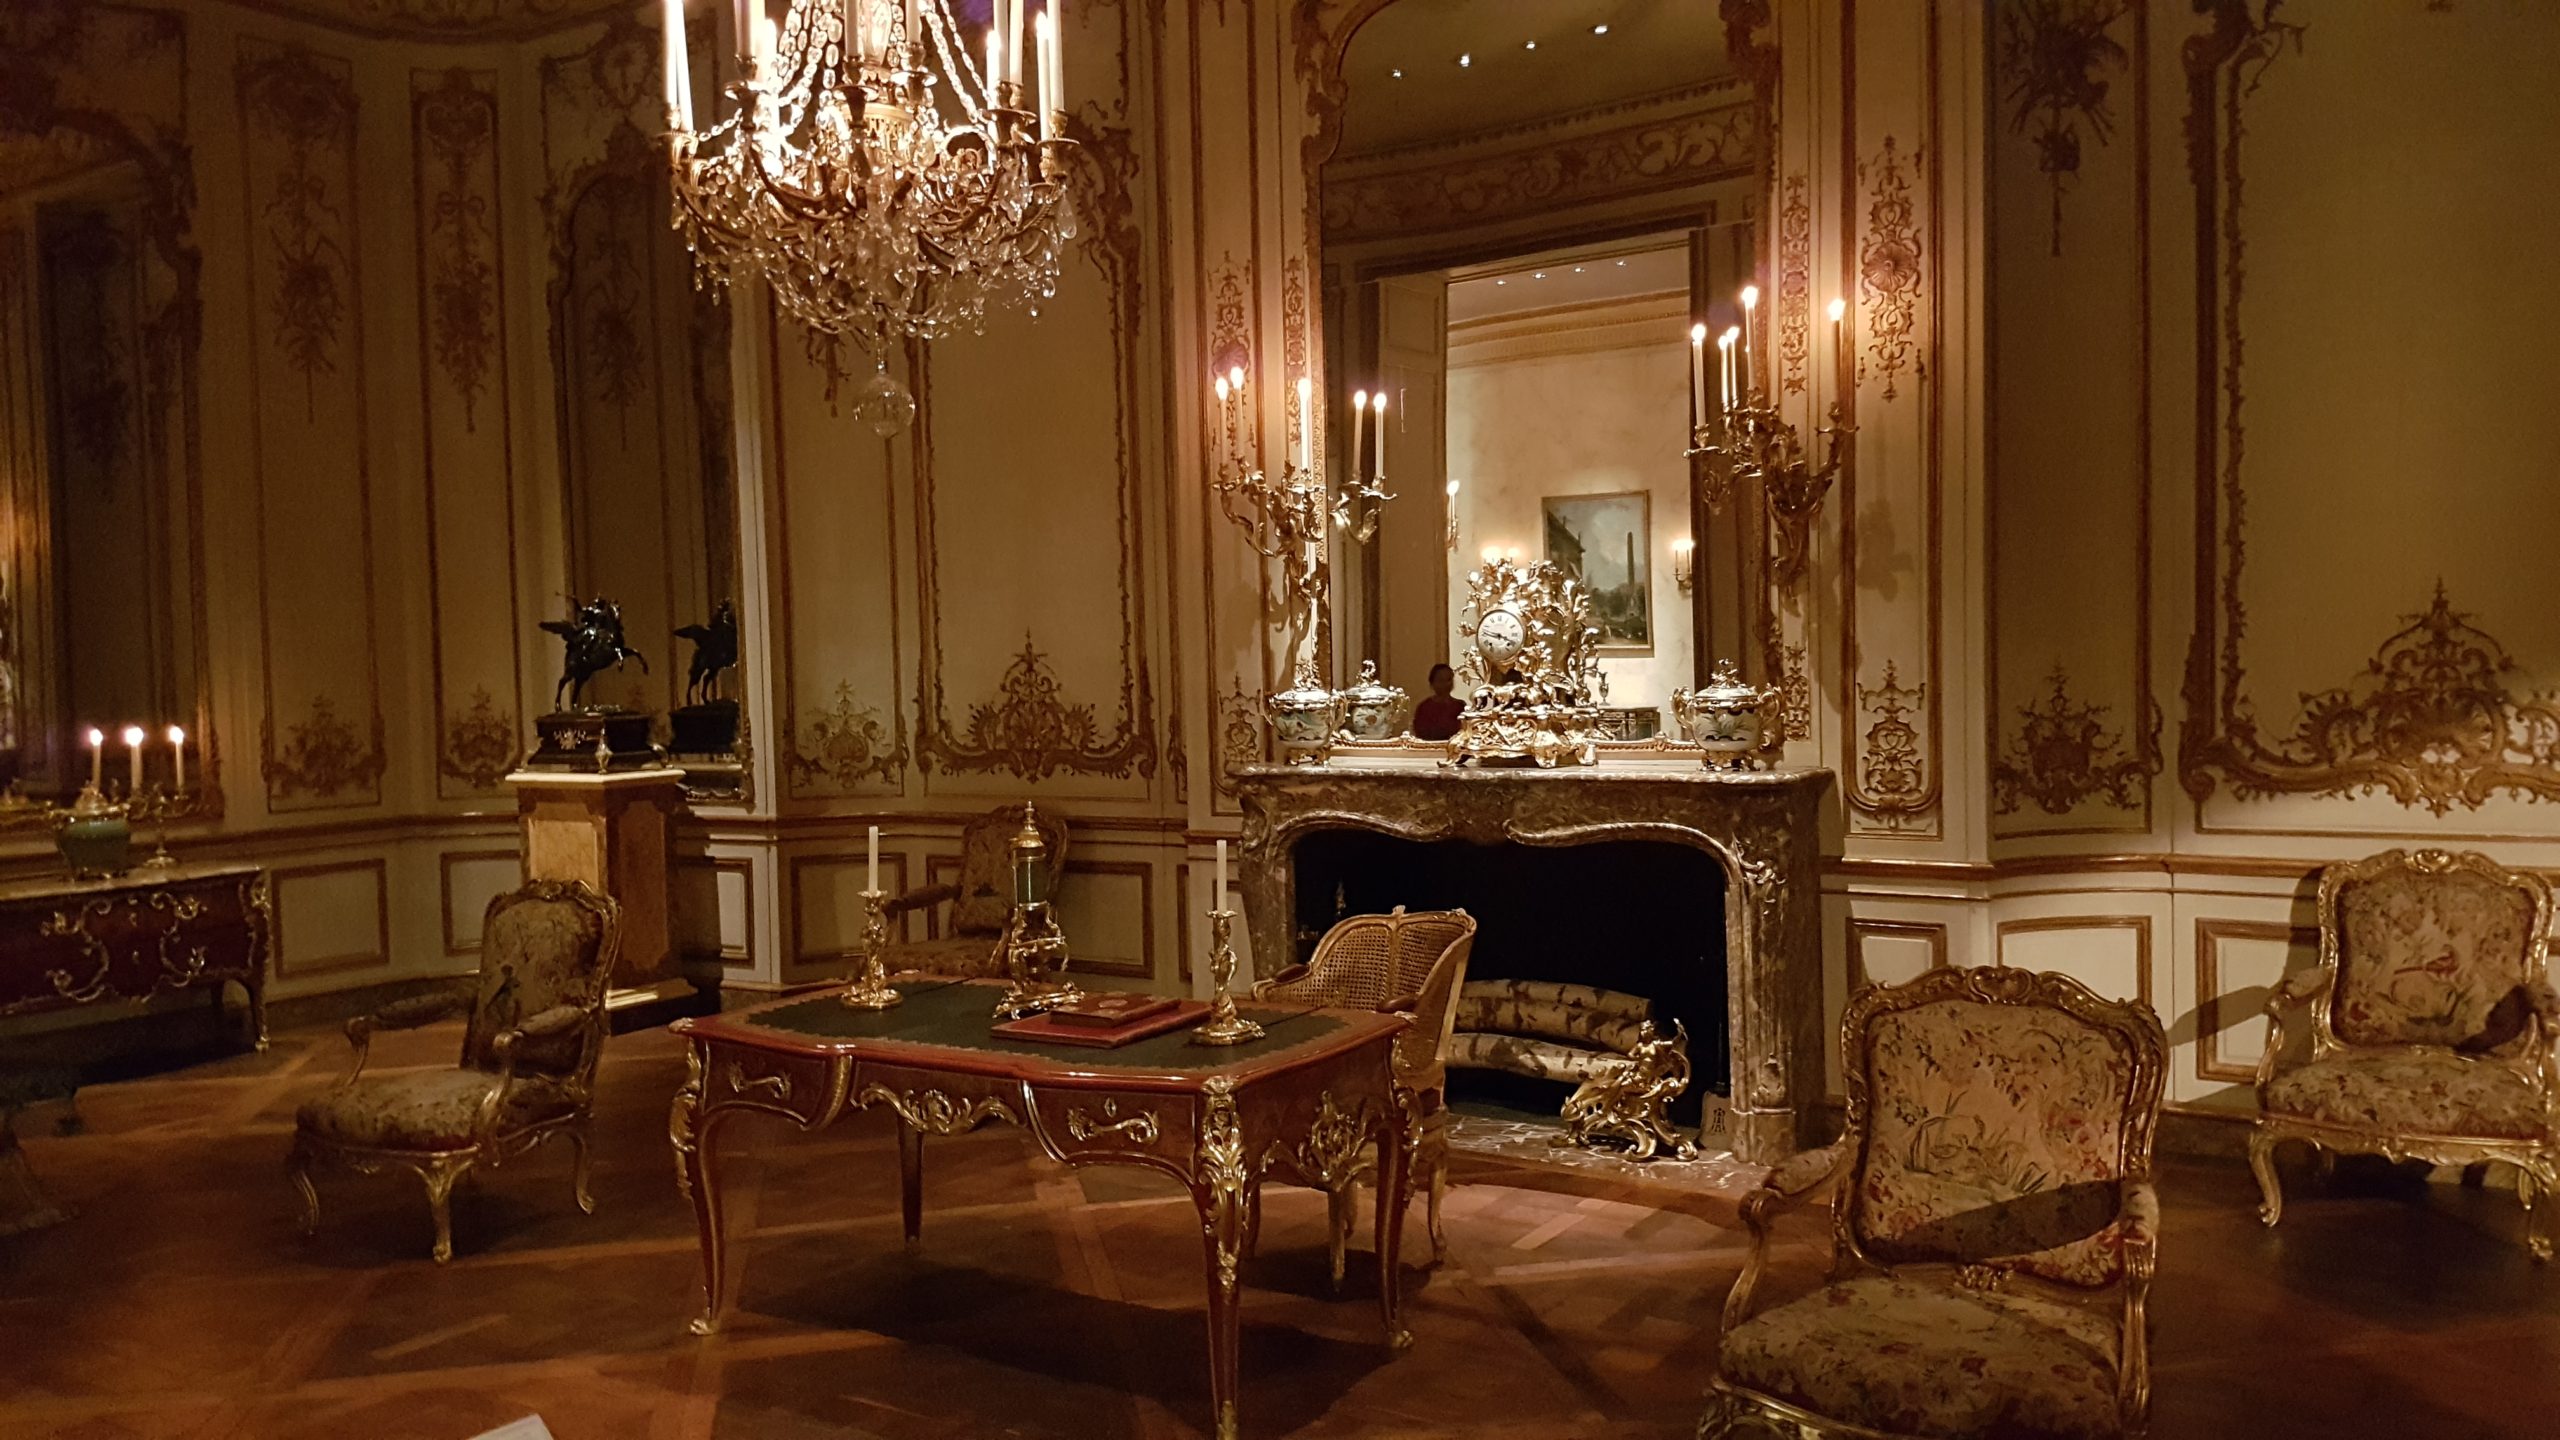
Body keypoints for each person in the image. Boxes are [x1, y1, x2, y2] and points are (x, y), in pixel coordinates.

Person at [1412, 662, 1463, 740]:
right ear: (1432, 683)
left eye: (1449, 679)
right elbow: (1420, 733)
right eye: (1441, 680)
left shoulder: (1460, 706)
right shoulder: (1424, 707)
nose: (1446, 684)